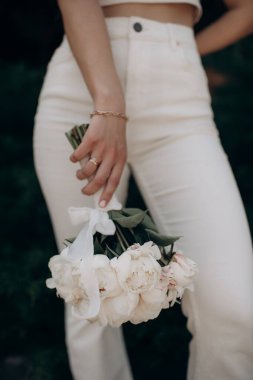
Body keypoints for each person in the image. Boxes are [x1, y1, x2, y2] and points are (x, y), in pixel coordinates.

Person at [33, 1, 253, 379]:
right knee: (90, 291)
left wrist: (179, 51)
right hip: (81, 91)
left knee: (235, 308)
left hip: (179, 106)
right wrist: (110, 107)